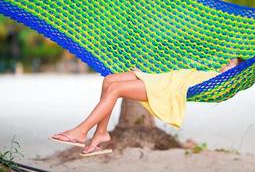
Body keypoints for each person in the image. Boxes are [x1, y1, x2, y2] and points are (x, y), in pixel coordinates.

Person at [50, 58, 244, 156]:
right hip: (159, 78)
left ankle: (81, 132)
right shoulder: (214, 73)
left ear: (236, 72)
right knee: (109, 80)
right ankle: (101, 133)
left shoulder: (222, 81)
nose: (225, 65)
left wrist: (235, 73)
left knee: (116, 89)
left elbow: (229, 84)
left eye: (230, 65)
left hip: (165, 88)